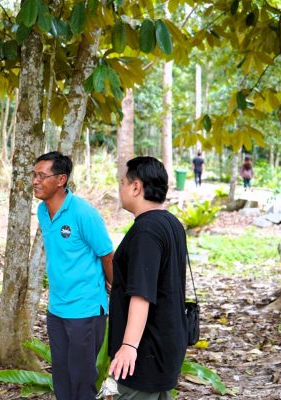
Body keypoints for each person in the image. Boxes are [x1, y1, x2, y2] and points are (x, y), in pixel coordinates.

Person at [33, 151, 114, 400]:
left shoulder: (83, 213)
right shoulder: (42, 211)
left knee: (82, 379)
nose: (35, 181)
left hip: (85, 309)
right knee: (62, 376)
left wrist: (113, 285)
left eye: (42, 175)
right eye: (33, 175)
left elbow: (107, 254)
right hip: (57, 308)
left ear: (61, 179)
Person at [108, 156, 188, 399]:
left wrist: (128, 346)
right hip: (167, 344)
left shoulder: (146, 231)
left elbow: (142, 294)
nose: (120, 188)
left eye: (122, 182)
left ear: (136, 187)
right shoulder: (171, 223)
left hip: (144, 351)